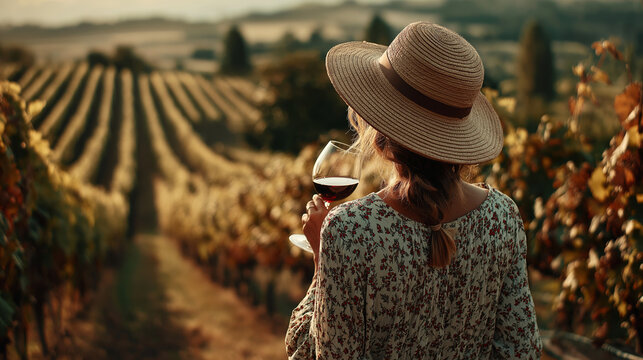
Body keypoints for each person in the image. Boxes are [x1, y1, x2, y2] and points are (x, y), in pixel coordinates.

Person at [286, 22, 542, 359]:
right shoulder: (502, 217)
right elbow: (521, 351)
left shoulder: (351, 231)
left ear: (380, 130)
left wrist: (324, 257)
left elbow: (309, 351)